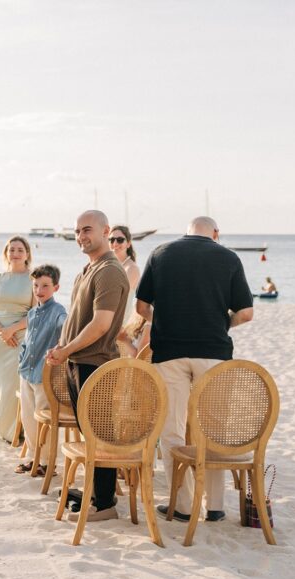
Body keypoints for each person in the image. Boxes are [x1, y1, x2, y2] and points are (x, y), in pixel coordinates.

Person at [135, 216, 254, 523]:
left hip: (169, 353)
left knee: (172, 430)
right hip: (213, 354)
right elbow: (246, 313)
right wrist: (222, 324)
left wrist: (163, 322)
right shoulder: (228, 257)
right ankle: (214, 506)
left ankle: (184, 505)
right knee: (213, 428)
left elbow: (141, 307)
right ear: (216, 233)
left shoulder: (161, 253)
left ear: (185, 232)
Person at [46, 210, 129, 523]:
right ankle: (95, 493)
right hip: (78, 362)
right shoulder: (88, 269)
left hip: (97, 364)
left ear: (106, 231)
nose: (81, 236)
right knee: (88, 431)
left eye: (87, 230)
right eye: (77, 231)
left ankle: (104, 504)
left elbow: (101, 324)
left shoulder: (109, 271)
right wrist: (63, 349)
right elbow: (78, 318)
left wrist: (67, 349)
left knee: (100, 434)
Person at [14, 265, 67, 475]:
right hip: (26, 372)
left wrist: (61, 346)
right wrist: (21, 359)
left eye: (45, 286)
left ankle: (46, 462)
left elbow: (67, 328)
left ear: (56, 287)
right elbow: (27, 341)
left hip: (44, 376)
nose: (39, 290)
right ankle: (32, 458)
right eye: (36, 285)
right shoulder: (32, 313)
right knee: (28, 418)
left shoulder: (58, 311)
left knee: (44, 420)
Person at [0, 235, 33, 442]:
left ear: (27, 254)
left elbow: (35, 313)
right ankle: (5, 428)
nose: (15, 253)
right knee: (2, 383)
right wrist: (1, 331)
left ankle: (18, 429)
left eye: (20, 250)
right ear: (6, 253)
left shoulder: (33, 279)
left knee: (17, 383)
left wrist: (12, 329)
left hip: (21, 335)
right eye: (11, 250)